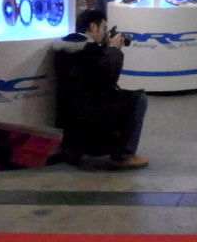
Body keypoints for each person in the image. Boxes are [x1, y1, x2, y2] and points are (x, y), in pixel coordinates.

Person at [52, 9, 149, 169]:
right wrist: (114, 49)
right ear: (93, 27)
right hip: (91, 114)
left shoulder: (67, 48)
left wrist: (105, 49)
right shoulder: (88, 51)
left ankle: (73, 150)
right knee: (138, 99)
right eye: (103, 28)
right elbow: (108, 76)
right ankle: (123, 156)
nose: (105, 33)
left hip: (70, 118)